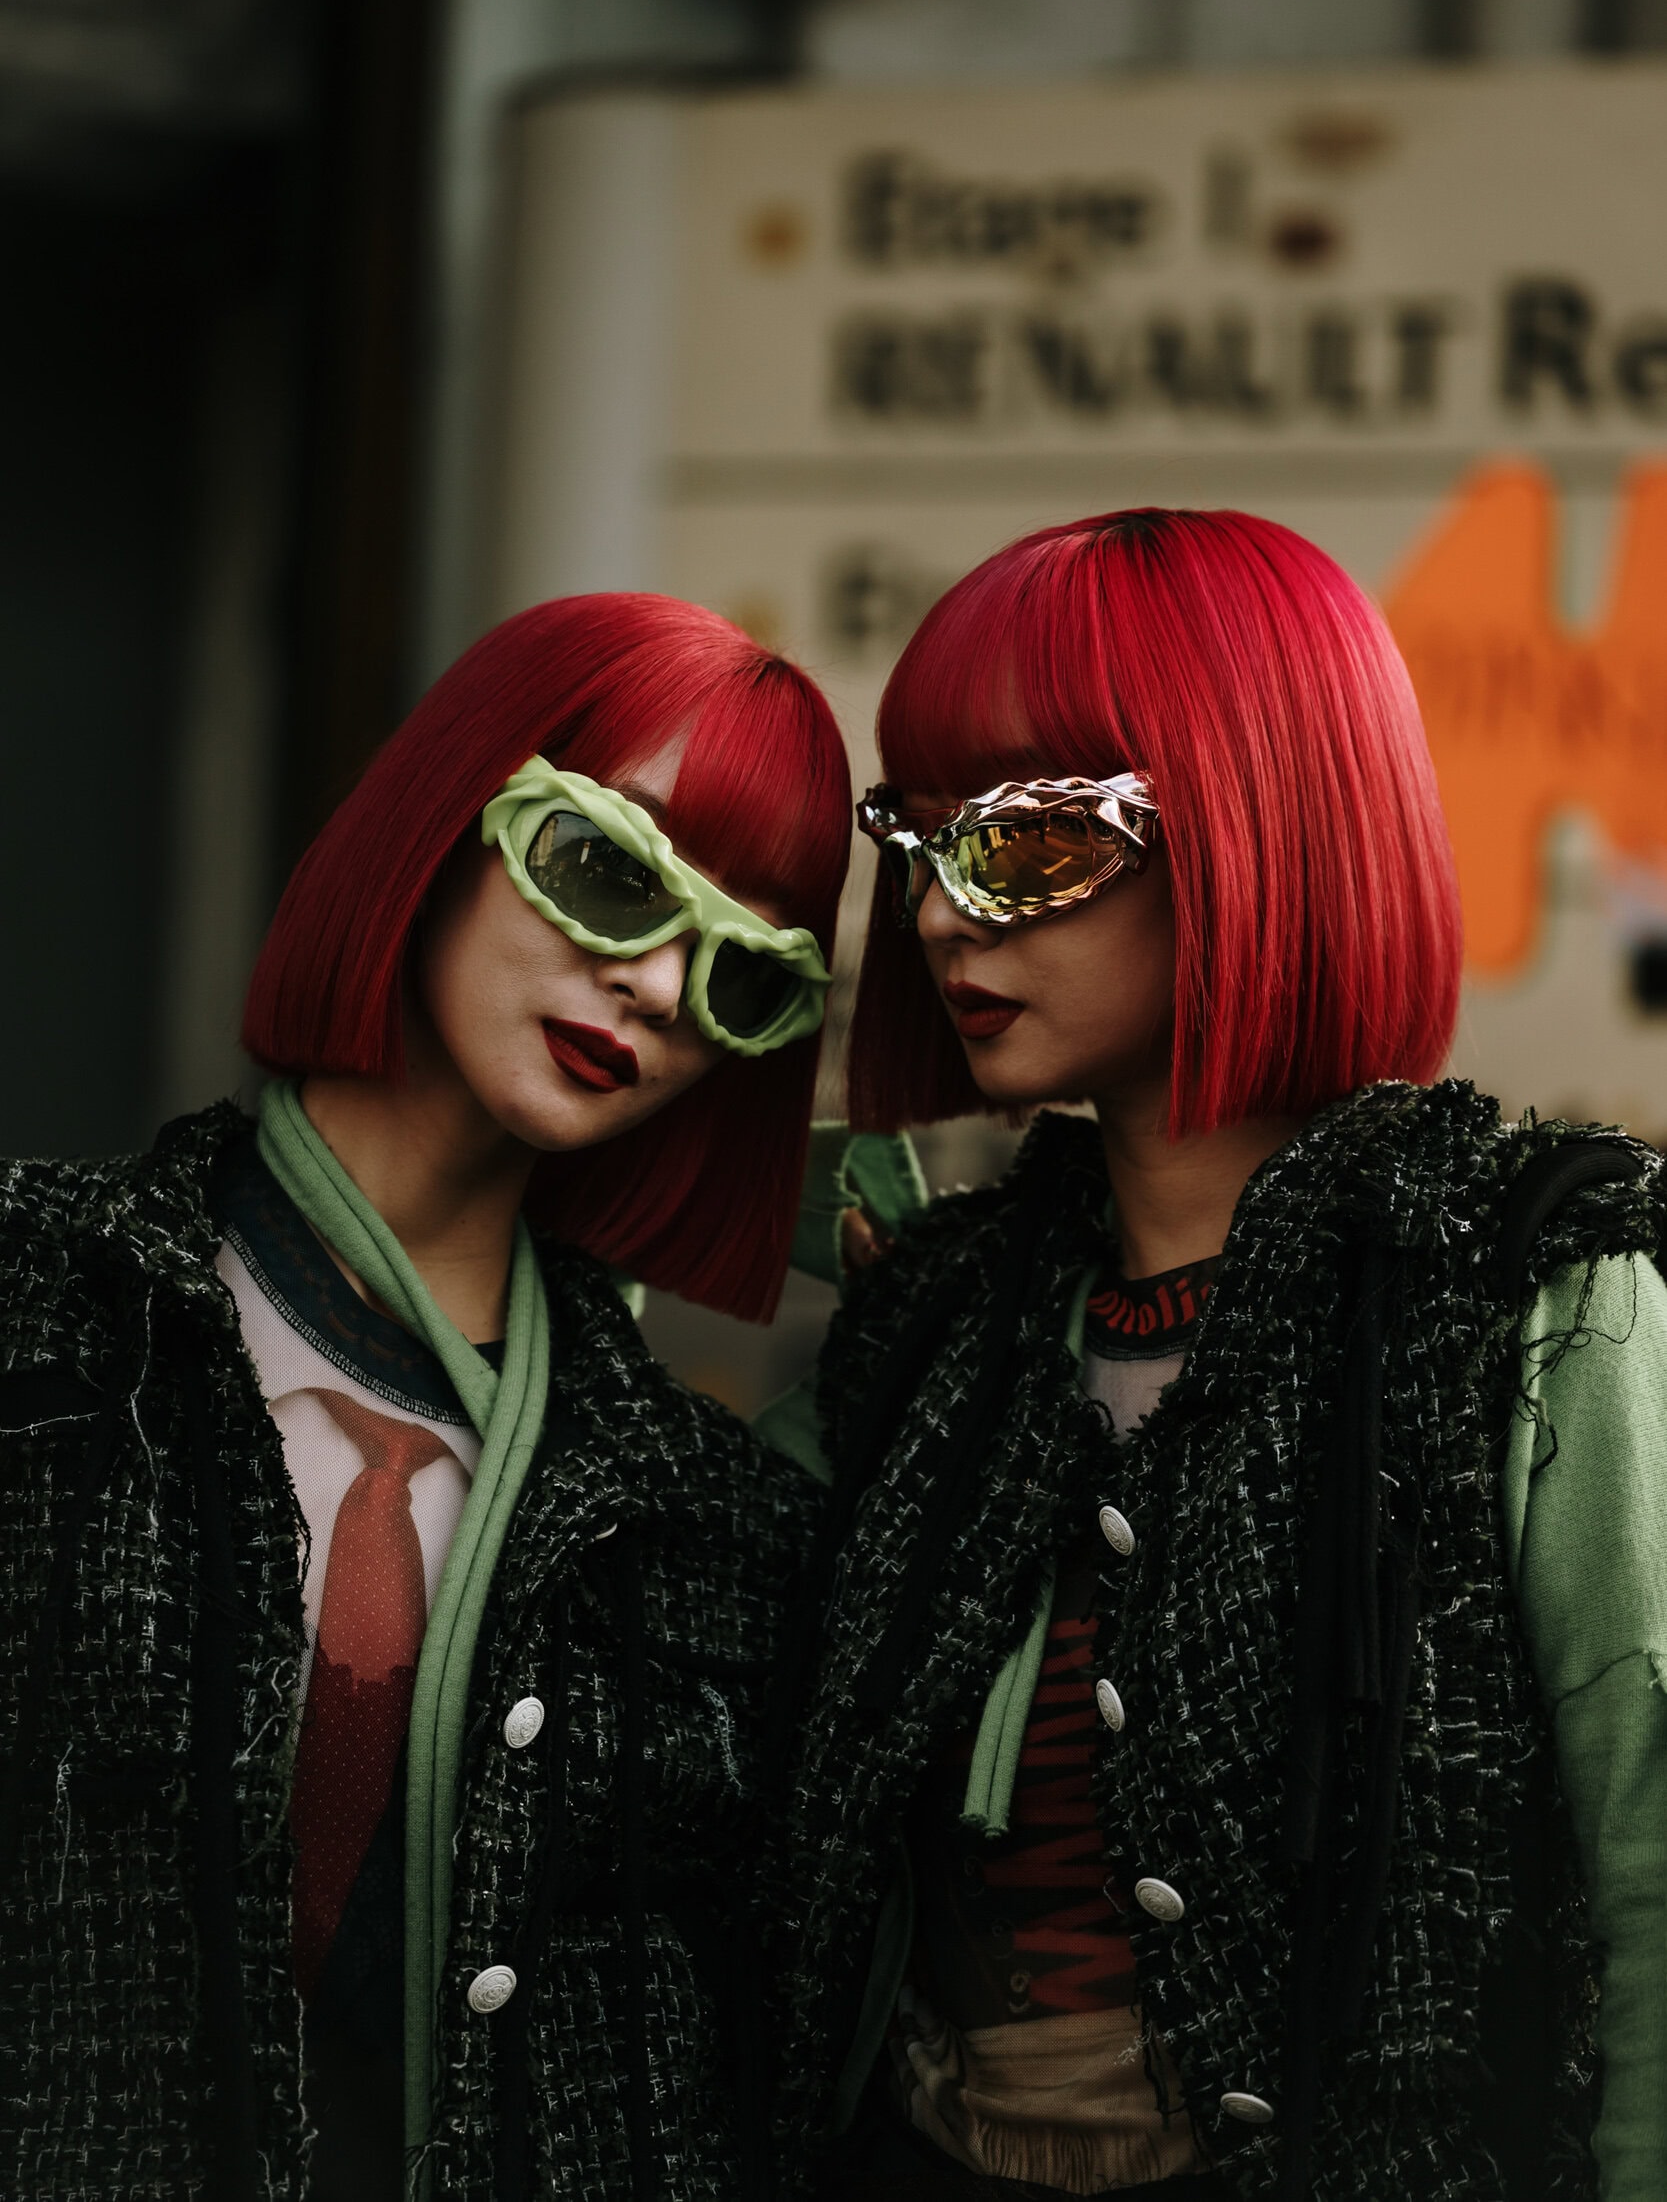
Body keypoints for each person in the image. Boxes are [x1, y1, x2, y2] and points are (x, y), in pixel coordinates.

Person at [760, 509, 1667, 2202]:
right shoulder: (925, 1333)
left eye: (1029, 843)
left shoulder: (1533, 1289)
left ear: (1260, 824)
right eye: (922, 840)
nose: (943, 915)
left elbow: (1651, 1879)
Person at [0, 591, 881, 2202]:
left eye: (743, 976)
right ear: (449, 813)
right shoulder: (41, 1308)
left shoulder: (719, 1526)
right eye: (611, 872)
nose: (657, 985)